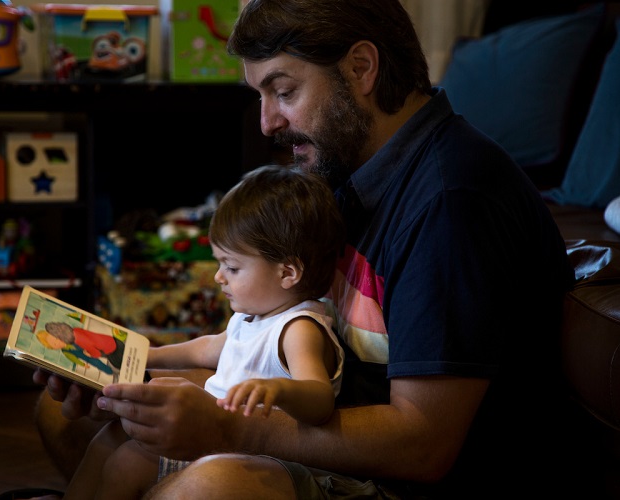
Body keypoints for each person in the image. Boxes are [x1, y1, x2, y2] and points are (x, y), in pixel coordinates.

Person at [30, 0, 583, 498]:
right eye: (262, 96)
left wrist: (224, 428)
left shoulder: (452, 200)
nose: (269, 122)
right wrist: (133, 376)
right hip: (333, 418)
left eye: (285, 91)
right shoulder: (348, 169)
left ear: (361, 69)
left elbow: (423, 444)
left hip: (415, 481)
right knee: (68, 415)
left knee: (207, 490)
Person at [55, 165, 345, 500]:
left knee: (128, 463)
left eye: (232, 267)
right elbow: (209, 348)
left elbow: (320, 400)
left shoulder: (299, 329)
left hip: (249, 458)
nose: (219, 277)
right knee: (109, 437)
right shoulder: (254, 316)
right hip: (214, 438)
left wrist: (279, 389)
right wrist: (145, 353)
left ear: (288, 272)